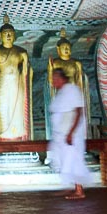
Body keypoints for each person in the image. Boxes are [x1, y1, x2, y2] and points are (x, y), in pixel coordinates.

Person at [0, 16, 31, 140]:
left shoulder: (21, 52)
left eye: (11, 33)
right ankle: (4, 134)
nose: (8, 36)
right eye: (5, 34)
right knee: (3, 108)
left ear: (15, 35)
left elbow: (26, 72)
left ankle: (17, 134)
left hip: (17, 83)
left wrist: (26, 62)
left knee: (17, 107)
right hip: (3, 82)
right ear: (0, 36)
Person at [48, 68, 90, 200]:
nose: (53, 81)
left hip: (70, 132)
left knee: (73, 159)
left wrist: (71, 133)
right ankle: (68, 187)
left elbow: (78, 112)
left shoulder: (72, 90)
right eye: (53, 79)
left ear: (62, 78)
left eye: (55, 78)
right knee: (61, 159)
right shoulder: (61, 93)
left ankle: (79, 190)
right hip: (61, 133)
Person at [45, 29, 86, 140]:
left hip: (70, 136)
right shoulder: (56, 63)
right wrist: (50, 68)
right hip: (59, 134)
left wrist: (70, 134)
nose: (66, 49)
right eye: (64, 48)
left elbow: (80, 80)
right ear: (58, 50)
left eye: (68, 47)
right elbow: (49, 81)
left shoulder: (76, 63)